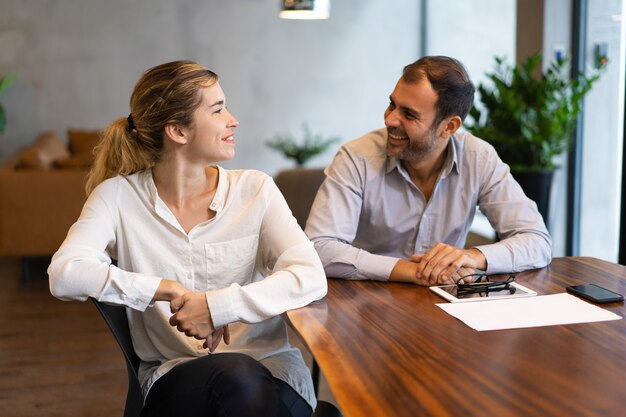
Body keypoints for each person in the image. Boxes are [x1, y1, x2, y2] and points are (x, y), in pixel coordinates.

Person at [48, 60, 327, 417]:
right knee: (237, 378)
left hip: (273, 376)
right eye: (218, 109)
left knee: (244, 381)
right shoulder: (116, 197)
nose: (232, 119)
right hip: (177, 381)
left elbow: (310, 276)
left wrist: (216, 307)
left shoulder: (255, 190)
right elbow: (65, 274)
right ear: (178, 131)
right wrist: (163, 288)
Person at [305, 55, 552, 285]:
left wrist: (471, 258)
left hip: (443, 307)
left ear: (449, 127)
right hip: (366, 305)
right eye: (393, 105)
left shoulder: (479, 158)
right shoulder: (356, 158)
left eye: (409, 114)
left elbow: (537, 242)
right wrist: (413, 271)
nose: (390, 120)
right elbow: (319, 247)